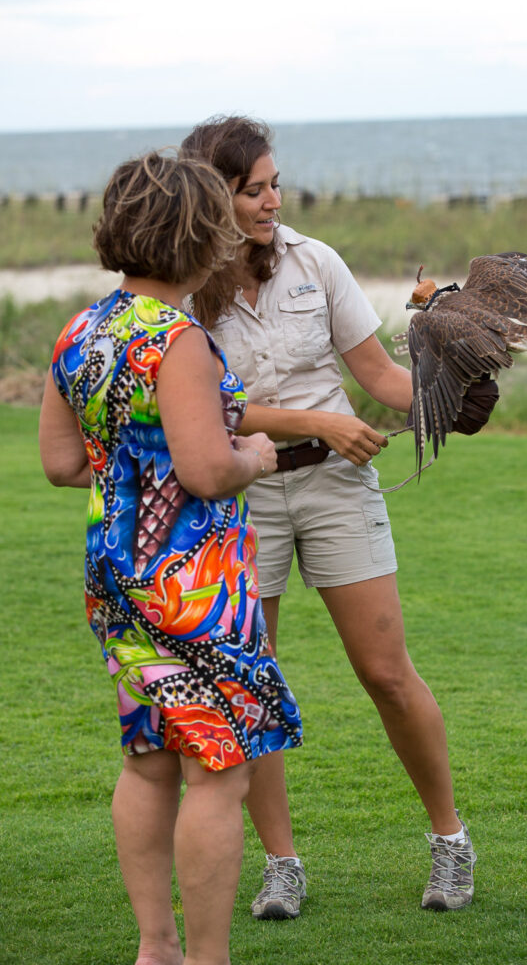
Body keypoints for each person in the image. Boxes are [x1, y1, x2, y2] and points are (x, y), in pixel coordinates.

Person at [181, 116, 491, 917]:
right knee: (255, 682)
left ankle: (450, 842)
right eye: (253, 190)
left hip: (335, 487)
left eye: (275, 184)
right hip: (237, 493)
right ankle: (281, 864)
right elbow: (213, 413)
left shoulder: (315, 262)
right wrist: (317, 421)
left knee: (386, 673)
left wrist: (449, 397)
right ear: (214, 197)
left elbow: (380, 374)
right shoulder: (183, 289)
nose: (271, 201)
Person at [38, 150, 303, 965]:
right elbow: (205, 470)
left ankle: (156, 948)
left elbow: (63, 462)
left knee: (149, 759)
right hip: (192, 592)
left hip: (115, 581)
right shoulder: (178, 341)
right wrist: (252, 455)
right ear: (200, 238)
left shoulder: (83, 330)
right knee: (218, 771)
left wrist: (132, 461)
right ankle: (208, 958)